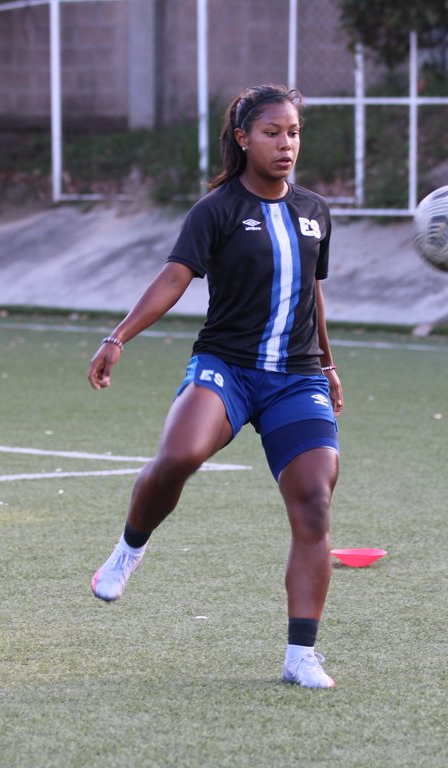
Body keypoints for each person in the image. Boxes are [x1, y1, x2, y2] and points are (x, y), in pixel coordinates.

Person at [87, 83, 344, 689]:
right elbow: (175, 277)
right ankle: (129, 548)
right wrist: (119, 337)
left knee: (314, 501)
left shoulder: (315, 211)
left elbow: (313, 292)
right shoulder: (218, 210)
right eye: (272, 133)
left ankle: (300, 655)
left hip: (296, 376)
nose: (286, 144)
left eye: (294, 133)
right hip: (226, 367)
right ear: (242, 139)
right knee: (178, 455)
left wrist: (328, 366)